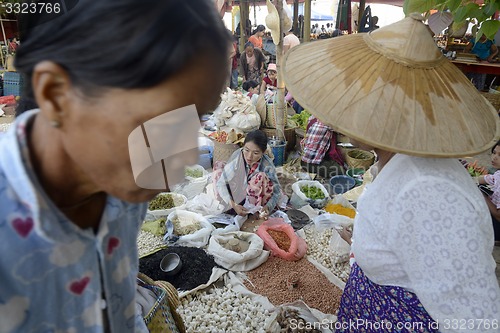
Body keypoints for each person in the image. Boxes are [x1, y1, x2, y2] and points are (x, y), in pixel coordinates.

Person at [0, 0, 230, 332]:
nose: (178, 166)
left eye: (195, 119)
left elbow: (117, 299)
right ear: (55, 94)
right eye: (161, 124)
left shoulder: (124, 193)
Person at [283, 14, 500, 332]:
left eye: (358, 96)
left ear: (386, 116)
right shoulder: (398, 166)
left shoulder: (427, 191)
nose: (343, 106)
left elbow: (475, 320)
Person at [216, 130, 281, 217]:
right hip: (237, 195)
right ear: (243, 146)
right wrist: (233, 205)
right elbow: (221, 184)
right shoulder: (237, 157)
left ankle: (253, 212)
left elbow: (276, 192)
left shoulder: (267, 165)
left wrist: (268, 207)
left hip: (254, 199)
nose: (249, 156)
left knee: (260, 177)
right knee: (219, 170)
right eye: (246, 150)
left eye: (255, 153)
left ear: (263, 152)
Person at [477, 140, 500, 245]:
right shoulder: (498, 174)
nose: (494, 157)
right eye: (494, 153)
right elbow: (486, 178)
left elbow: (498, 215)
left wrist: (483, 196)